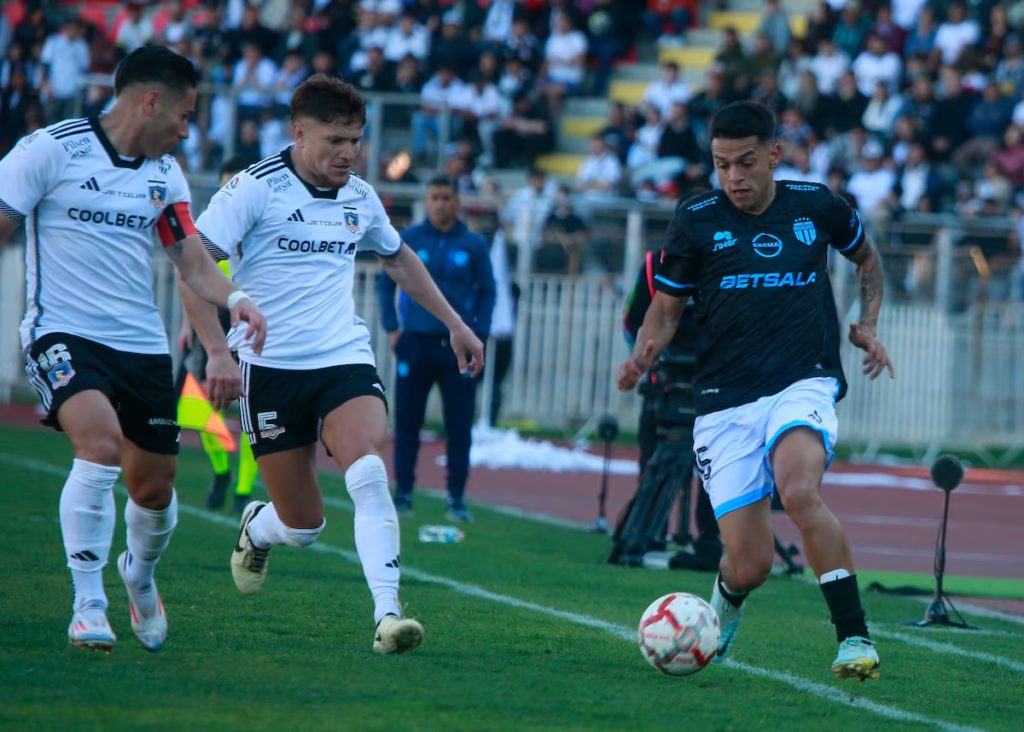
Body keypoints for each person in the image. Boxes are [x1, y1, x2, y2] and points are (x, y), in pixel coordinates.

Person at [182, 75, 484, 654]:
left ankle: (388, 616)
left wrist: (456, 323)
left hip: (342, 358)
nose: (349, 152)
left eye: (357, 140)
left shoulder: (361, 196)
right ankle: (259, 526)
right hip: (269, 370)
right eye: (335, 139)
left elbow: (399, 261)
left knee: (369, 470)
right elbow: (195, 267)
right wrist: (217, 352)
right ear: (299, 133)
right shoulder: (253, 188)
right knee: (303, 526)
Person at [0, 46, 266, 652]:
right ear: (151, 101)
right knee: (98, 445)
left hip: (140, 346)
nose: (186, 129)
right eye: (185, 115)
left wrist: (238, 300)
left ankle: (138, 577)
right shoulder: (50, 150)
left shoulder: (165, 173)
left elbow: (192, 262)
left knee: (154, 489)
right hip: (62, 331)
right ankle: (88, 603)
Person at [617, 101, 894, 682]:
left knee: (798, 492)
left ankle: (854, 639)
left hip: (803, 379)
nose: (734, 177)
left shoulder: (815, 205)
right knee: (752, 564)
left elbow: (868, 260)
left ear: (773, 155)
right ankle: (726, 602)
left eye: (746, 163)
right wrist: (644, 352)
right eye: (722, 165)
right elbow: (664, 313)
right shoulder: (694, 217)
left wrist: (867, 321)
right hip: (723, 398)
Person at [377, 176, 495, 522]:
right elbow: (386, 284)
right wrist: (392, 327)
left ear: (457, 201)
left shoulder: (473, 244)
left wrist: (480, 332)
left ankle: (455, 499)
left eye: (447, 197)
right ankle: (404, 494)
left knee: (459, 426)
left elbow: (488, 290)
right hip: (415, 343)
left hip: (456, 349)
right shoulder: (409, 240)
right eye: (435, 196)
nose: (441, 203)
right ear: (426, 201)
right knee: (407, 422)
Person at [621, 249, 721, 568]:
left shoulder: (729, 257)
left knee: (717, 470)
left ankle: (708, 541)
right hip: (664, 381)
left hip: (716, 384)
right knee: (655, 461)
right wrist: (645, 361)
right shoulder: (654, 264)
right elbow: (632, 322)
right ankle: (649, 535)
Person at [176, 155, 262, 515]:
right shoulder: (211, 225)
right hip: (213, 324)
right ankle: (221, 471)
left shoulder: (262, 225)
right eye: (226, 182)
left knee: (251, 414)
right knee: (196, 406)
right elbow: (192, 276)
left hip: (249, 328)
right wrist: (187, 324)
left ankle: (243, 489)